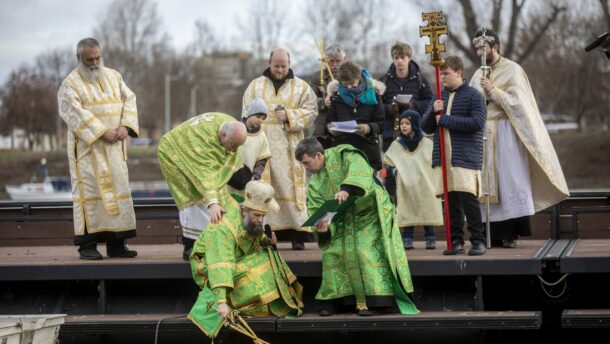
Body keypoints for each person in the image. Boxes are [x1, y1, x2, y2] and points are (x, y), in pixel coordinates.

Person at [469, 28, 569, 248]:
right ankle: (492, 233)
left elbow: (521, 105)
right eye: (477, 49)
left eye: (483, 48)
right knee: (487, 184)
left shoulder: (513, 70)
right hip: (484, 133)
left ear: (495, 47)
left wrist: (494, 91)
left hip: (507, 132)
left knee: (510, 180)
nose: (480, 53)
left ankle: (510, 233)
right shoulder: (477, 74)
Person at [295, 137, 418, 316]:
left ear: (319, 155)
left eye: (306, 163)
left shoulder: (344, 153)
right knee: (333, 252)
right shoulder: (314, 183)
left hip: (369, 214)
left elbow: (360, 169)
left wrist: (346, 189)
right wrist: (322, 227)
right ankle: (335, 302)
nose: (306, 168)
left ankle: (379, 302)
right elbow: (316, 209)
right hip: (343, 222)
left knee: (363, 249)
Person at [57, 38, 139, 260]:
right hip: (88, 152)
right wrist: (102, 131)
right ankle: (87, 246)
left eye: (97, 58)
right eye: (89, 59)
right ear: (78, 58)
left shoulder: (114, 76)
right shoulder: (70, 84)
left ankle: (116, 245)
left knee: (118, 192)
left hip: (114, 150)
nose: (94, 63)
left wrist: (125, 126)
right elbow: (72, 112)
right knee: (90, 195)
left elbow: (129, 99)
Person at [189, 180, 303, 338]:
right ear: (244, 211)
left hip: (234, 261)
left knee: (269, 255)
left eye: (263, 216)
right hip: (210, 268)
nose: (260, 220)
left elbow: (250, 234)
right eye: (257, 215)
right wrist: (221, 302)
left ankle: (261, 303)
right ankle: (237, 302)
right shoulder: (223, 228)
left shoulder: (247, 217)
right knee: (261, 262)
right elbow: (220, 262)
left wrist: (265, 240)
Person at [242, 48, 318, 250]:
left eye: (284, 66)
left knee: (290, 189)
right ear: (269, 63)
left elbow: (312, 111)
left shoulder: (301, 87)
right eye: (276, 66)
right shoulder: (255, 86)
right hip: (262, 146)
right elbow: (245, 114)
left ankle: (297, 236)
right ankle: (268, 235)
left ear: (290, 63)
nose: (280, 69)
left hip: (289, 149)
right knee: (265, 189)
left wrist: (291, 116)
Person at [157, 113, 247, 260]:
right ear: (223, 135)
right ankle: (191, 245)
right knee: (194, 196)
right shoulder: (202, 143)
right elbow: (204, 177)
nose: (234, 150)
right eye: (233, 145)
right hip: (172, 153)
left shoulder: (230, 124)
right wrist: (213, 203)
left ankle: (215, 240)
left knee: (217, 193)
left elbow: (219, 168)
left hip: (194, 151)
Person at [421, 55, 487, 256]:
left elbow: (476, 123)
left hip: (464, 157)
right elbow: (425, 127)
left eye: (446, 74)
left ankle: (478, 241)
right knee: (450, 203)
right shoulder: (438, 97)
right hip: (444, 158)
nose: (442, 78)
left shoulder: (474, 96)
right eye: (441, 74)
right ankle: (455, 241)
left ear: (458, 72)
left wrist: (446, 120)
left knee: (468, 200)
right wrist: (433, 112)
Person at [379, 42, 433, 201]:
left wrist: (413, 105)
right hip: (391, 133)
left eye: (402, 57)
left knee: (414, 170)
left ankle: (415, 203)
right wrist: (390, 109)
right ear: (392, 59)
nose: (399, 61)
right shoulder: (384, 81)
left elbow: (430, 102)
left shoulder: (420, 79)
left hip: (414, 135)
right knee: (390, 171)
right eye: (396, 58)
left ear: (409, 58)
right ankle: (392, 205)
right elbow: (376, 107)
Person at [383, 110, 443, 250]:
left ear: (415, 124)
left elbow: (435, 161)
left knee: (426, 207)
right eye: (401, 123)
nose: (403, 126)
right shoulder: (396, 145)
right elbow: (388, 162)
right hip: (406, 184)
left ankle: (430, 237)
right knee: (406, 209)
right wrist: (395, 172)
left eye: (407, 123)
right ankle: (408, 238)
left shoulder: (427, 143)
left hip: (425, 184)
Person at [326, 61, 385, 171]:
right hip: (342, 152)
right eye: (345, 84)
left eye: (352, 83)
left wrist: (368, 128)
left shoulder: (374, 95)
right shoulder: (336, 97)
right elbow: (329, 121)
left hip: (367, 152)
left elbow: (381, 124)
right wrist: (332, 129)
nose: (348, 87)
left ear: (359, 78)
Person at [226, 98, 272, 196]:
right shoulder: (235, 129)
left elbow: (262, 160)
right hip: (228, 175)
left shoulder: (262, 137)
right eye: (258, 116)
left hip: (246, 179)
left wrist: (256, 176)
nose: (260, 120)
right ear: (250, 114)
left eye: (263, 118)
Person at [308, 45, 346, 148]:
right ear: (325, 61)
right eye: (331, 61)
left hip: (343, 127)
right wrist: (323, 102)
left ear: (344, 60)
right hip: (322, 129)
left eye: (338, 61)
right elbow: (309, 99)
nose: (334, 65)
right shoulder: (316, 77)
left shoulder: (349, 77)